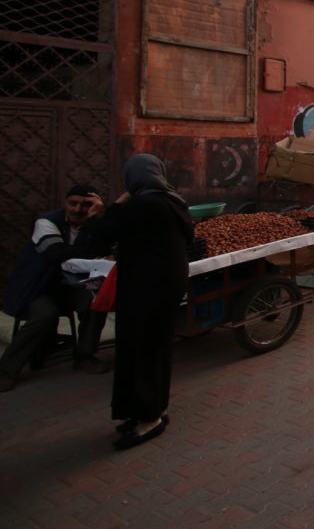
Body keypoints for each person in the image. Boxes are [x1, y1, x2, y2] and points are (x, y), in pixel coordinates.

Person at [91, 155, 194, 449]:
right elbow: (188, 237)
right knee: (156, 347)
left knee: (140, 351)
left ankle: (149, 420)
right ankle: (155, 408)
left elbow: (101, 236)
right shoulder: (174, 200)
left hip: (145, 288)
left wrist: (115, 205)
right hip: (166, 284)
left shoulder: (141, 204)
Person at [0, 184, 112, 391]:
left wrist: (95, 220)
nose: (78, 209)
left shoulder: (92, 224)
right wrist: (87, 251)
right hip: (37, 287)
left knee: (94, 303)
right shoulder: (46, 222)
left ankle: (85, 355)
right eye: (73, 203)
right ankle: (6, 369)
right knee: (45, 314)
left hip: (68, 287)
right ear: (65, 203)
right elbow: (56, 253)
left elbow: (103, 248)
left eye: (86, 205)